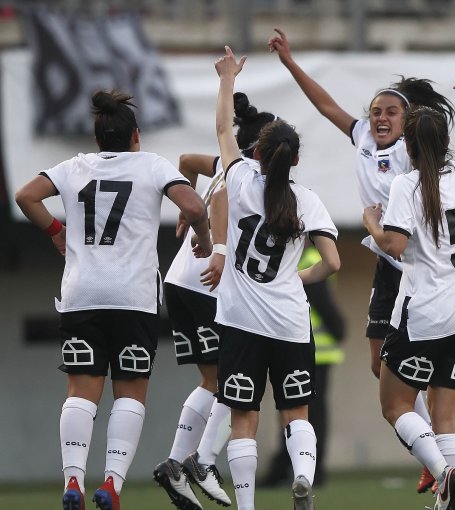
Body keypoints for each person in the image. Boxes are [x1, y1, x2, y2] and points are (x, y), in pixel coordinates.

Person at [268, 26, 455, 492]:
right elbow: (326, 105)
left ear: (408, 120)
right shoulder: (364, 141)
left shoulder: (416, 156)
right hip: (386, 266)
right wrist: (291, 63)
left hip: (417, 266)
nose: (380, 118)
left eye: (391, 111)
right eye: (375, 111)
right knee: (379, 364)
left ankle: (437, 457)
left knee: (416, 368)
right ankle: (428, 440)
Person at [14, 90, 212, 510]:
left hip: (82, 296)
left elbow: (25, 196)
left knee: (81, 392)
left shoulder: (73, 167)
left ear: (99, 137)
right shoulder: (153, 165)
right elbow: (194, 206)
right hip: (133, 299)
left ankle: (72, 482)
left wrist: (55, 232)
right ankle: (111, 485)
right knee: (129, 394)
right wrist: (205, 239)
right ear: (136, 136)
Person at [363, 72, 455, 510]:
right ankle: (446, 501)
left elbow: (396, 246)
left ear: (408, 146)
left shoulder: (407, 185)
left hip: (423, 316)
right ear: (444, 142)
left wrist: (370, 222)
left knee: (395, 406)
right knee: (447, 414)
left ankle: (445, 473)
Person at [213, 46, 340, 510]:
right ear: (297, 160)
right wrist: (298, 279)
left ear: (259, 153)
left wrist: (228, 78)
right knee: (296, 412)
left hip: (242, 322)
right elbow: (333, 262)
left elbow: (224, 128)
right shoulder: (307, 200)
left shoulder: (242, 179)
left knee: (243, 417)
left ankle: (246, 507)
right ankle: (302, 479)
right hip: (289, 322)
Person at [153, 92, 278, 510]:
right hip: (207, 280)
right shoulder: (243, 177)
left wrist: (186, 209)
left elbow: (186, 159)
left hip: (179, 279)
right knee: (238, 380)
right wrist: (217, 246)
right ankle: (197, 463)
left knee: (213, 381)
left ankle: (175, 463)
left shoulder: (223, 166)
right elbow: (222, 204)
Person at [261, 245, 347, 488]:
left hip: (308, 348)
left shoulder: (298, 257)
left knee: (297, 411)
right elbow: (323, 302)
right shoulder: (310, 257)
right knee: (308, 414)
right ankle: (307, 471)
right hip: (313, 348)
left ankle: (298, 470)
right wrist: (339, 328)